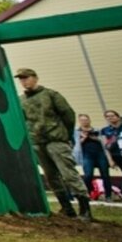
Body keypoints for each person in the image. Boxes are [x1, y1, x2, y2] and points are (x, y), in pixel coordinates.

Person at [15, 69, 92, 220]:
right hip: (37, 141)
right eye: (21, 79)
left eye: (27, 78)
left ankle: (85, 209)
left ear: (35, 78)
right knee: (51, 176)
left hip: (55, 140)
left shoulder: (51, 95)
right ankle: (67, 208)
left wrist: (66, 135)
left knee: (68, 174)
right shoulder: (21, 100)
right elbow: (23, 121)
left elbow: (68, 115)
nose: (24, 81)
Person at [76, 114, 115, 200]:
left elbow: (104, 142)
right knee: (88, 175)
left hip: (100, 154)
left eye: (86, 120)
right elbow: (76, 145)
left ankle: (108, 195)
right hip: (87, 155)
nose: (84, 122)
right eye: (82, 120)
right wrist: (84, 138)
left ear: (89, 120)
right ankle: (88, 194)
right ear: (79, 121)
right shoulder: (77, 132)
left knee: (105, 175)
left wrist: (95, 138)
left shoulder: (98, 130)